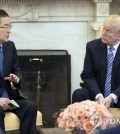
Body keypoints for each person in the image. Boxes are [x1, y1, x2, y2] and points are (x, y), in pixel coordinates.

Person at [0, 9, 37, 134]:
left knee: (30, 106)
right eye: (5, 27)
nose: (9, 30)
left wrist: (16, 79)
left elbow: (17, 70)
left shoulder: (10, 46)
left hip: (9, 102)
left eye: (9, 26)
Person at [72, 14, 120, 109]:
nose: (103, 33)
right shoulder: (92, 46)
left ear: (119, 35)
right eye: (104, 29)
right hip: (97, 94)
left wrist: (112, 96)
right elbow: (87, 75)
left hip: (118, 95)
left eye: (108, 31)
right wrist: (98, 95)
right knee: (78, 94)